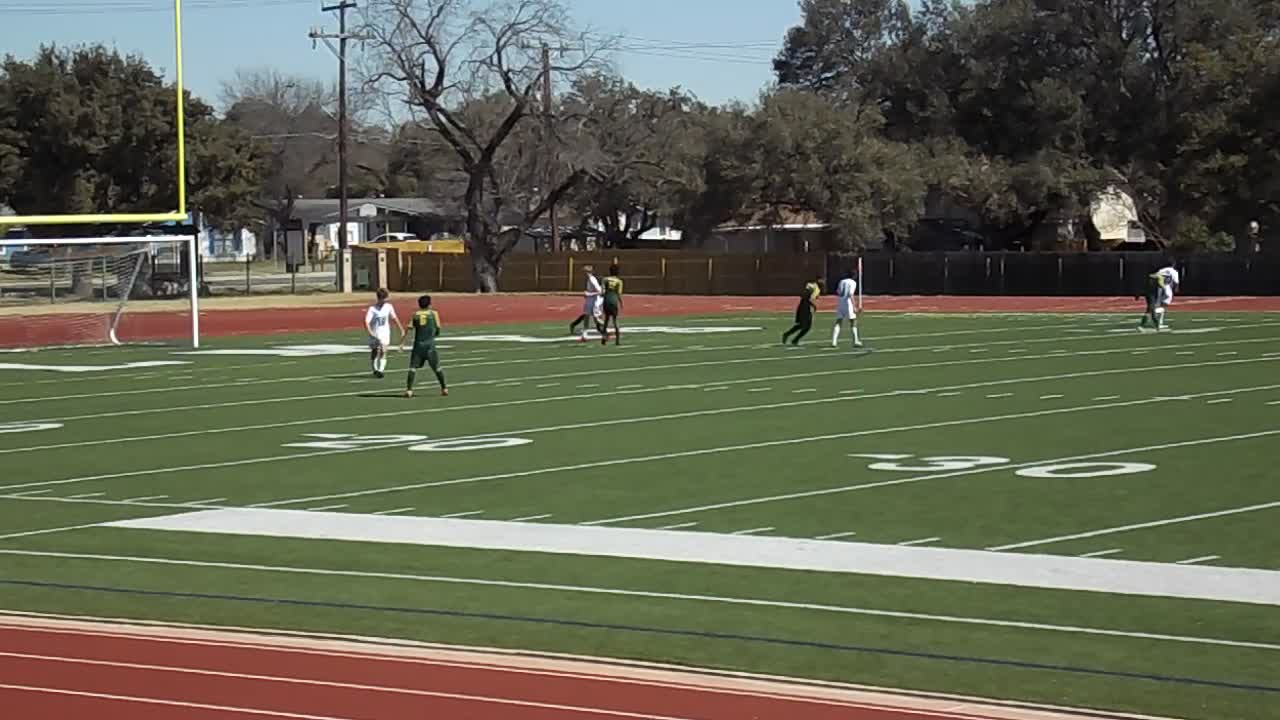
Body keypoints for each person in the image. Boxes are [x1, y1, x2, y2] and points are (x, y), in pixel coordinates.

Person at [401, 294, 448, 398]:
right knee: (437, 367)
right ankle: (444, 388)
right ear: (430, 304)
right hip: (430, 346)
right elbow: (438, 328)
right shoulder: (434, 314)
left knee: (412, 368)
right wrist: (434, 335)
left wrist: (402, 343)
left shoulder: (415, 315)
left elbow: (408, 328)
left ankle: (409, 390)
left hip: (418, 346)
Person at [365, 288, 404, 379]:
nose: (386, 300)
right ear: (380, 298)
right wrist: (371, 332)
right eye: (384, 298)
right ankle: (375, 369)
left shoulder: (389, 307)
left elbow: (394, 318)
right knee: (375, 351)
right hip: (375, 333)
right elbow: (366, 321)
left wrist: (401, 328)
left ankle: (381, 370)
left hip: (385, 333)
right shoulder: (372, 309)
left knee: (384, 350)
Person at [782, 275, 822, 346]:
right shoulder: (811, 286)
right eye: (821, 280)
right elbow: (805, 297)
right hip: (804, 306)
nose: (822, 282)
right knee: (804, 326)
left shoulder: (818, 289)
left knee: (804, 326)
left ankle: (792, 338)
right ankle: (790, 337)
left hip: (807, 307)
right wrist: (812, 305)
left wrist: (813, 304)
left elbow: (813, 298)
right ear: (817, 280)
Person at [1140, 261, 1180, 331]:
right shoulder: (1174, 272)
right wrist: (1176, 290)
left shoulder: (1162, 270)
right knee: (1162, 307)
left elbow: (1156, 277)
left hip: (1159, 289)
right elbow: (1176, 283)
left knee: (1160, 306)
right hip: (1167, 289)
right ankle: (1153, 312)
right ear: (1173, 265)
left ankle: (1160, 323)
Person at [569, 264, 604, 342]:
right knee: (586, 317)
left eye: (584, 272)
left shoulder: (592, 279)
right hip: (589, 300)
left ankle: (605, 329)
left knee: (596, 319)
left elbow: (600, 291)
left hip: (594, 301)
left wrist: (589, 294)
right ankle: (584, 336)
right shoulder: (589, 279)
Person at [831, 269, 862, 348]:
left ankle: (834, 341)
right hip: (848, 304)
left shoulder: (841, 281)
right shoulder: (853, 283)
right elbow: (851, 294)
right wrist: (854, 306)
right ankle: (855, 340)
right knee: (853, 321)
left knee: (838, 321)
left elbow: (838, 292)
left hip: (840, 303)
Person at [600, 263, 623, 346]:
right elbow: (619, 294)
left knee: (606, 320)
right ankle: (617, 341)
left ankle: (603, 338)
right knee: (615, 321)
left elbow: (602, 292)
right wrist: (621, 303)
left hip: (606, 300)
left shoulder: (605, 279)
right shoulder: (619, 281)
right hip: (613, 301)